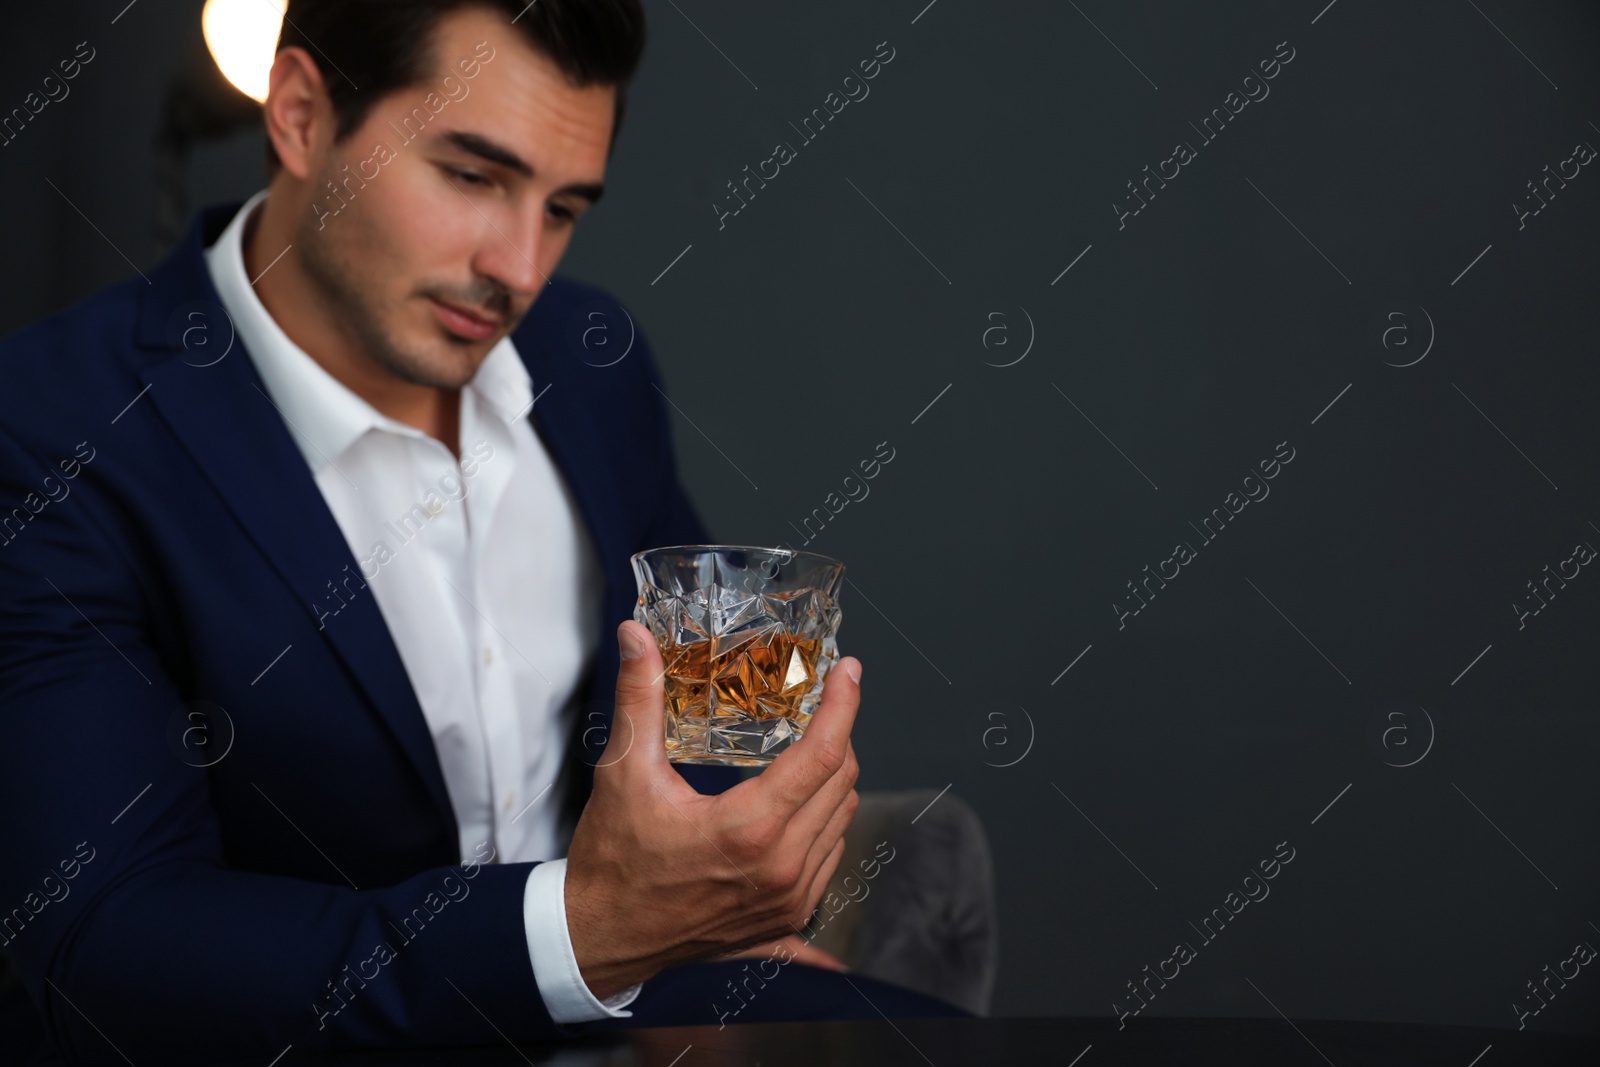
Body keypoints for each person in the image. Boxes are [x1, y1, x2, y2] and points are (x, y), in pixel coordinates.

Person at [0, 2, 985, 1063]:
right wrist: (590, 934)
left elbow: (702, 687)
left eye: (562, 207)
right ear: (296, 114)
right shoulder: (52, 431)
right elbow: (109, 947)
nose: (519, 267)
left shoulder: (591, 356)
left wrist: (702, 921)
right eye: (471, 176)